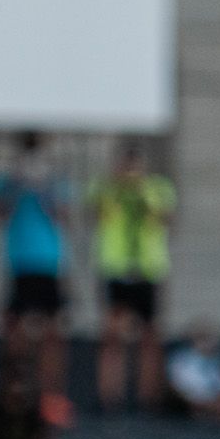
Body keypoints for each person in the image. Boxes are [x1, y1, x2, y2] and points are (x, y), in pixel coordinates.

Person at [87, 141, 175, 416]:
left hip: (148, 269)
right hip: (116, 268)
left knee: (150, 336)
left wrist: (142, 192)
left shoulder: (157, 188)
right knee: (112, 335)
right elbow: (98, 216)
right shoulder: (106, 188)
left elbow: (163, 218)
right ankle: (109, 397)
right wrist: (119, 191)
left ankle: (148, 396)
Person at [0, 132, 70, 397]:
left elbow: (63, 216)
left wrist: (43, 187)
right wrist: (18, 183)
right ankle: (14, 391)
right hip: (19, 262)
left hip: (49, 263)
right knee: (14, 329)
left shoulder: (55, 181)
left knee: (53, 332)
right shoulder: (7, 181)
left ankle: (51, 393)